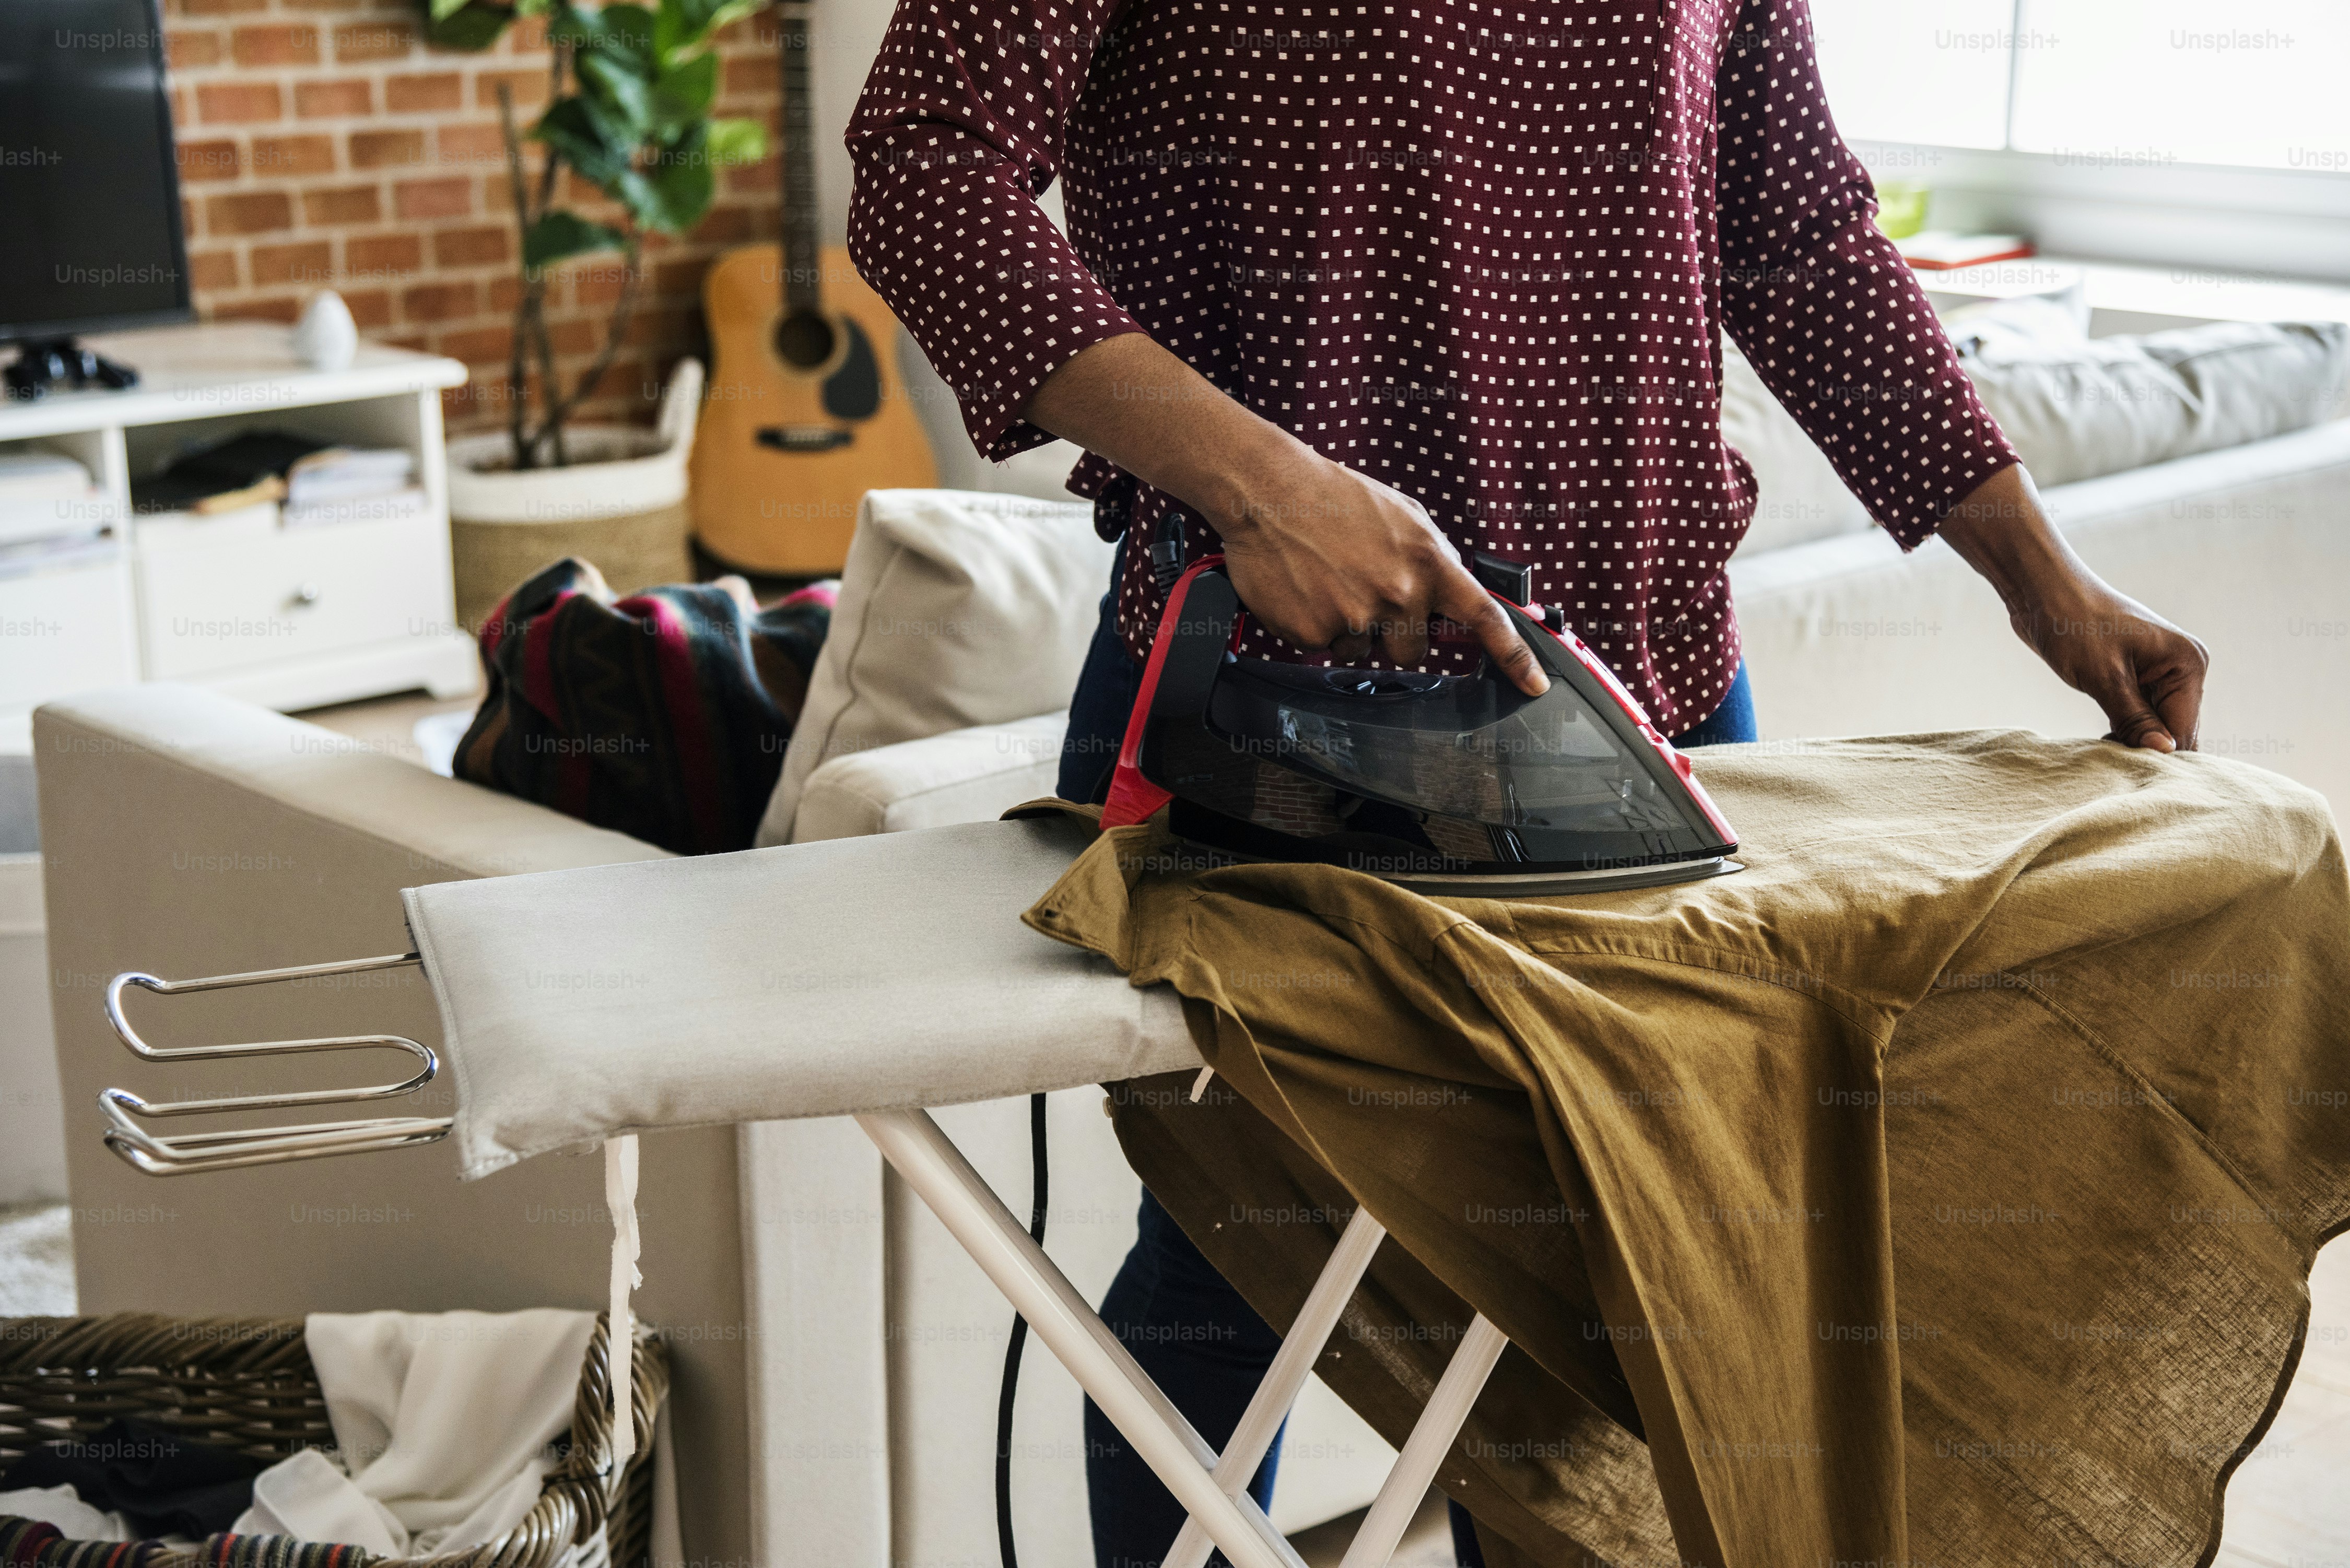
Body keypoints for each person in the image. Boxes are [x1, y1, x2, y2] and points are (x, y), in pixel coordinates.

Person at [845, 1, 2208, 1563]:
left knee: (1624, 1273)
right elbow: (922, 168)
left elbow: (1801, 237)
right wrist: (1265, 483)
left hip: (1650, 698)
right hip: (1276, 710)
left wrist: (2043, 581)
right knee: (1239, 1252)